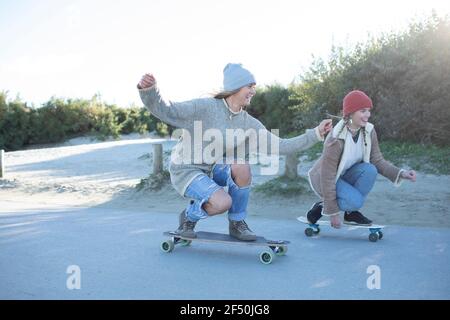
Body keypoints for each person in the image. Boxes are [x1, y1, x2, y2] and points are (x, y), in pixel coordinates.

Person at [137, 63, 332, 240]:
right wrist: (150, 91)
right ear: (235, 87)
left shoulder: (249, 123)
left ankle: (237, 224)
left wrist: (315, 133)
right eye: (250, 86)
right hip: (187, 170)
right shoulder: (204, 108)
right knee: (222, 203)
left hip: (212, 170)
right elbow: (168, 110)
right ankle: (189, 217)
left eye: (254, 87)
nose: (253, 91)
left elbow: (282, 146)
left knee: (242, 167)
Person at [306, 90, 417, 228]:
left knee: (370, 170)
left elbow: (377, 160)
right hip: (323, 179)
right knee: (356, 201)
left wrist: (401, 173)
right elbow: (327, 175)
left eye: (369, 111)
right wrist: (333, 212)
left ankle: (350, 213)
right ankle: (324, 206)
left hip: (344, 175)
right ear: (351, 113)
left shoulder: (368, 131)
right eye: (363, 111)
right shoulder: (335, 138)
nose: (368, 115)